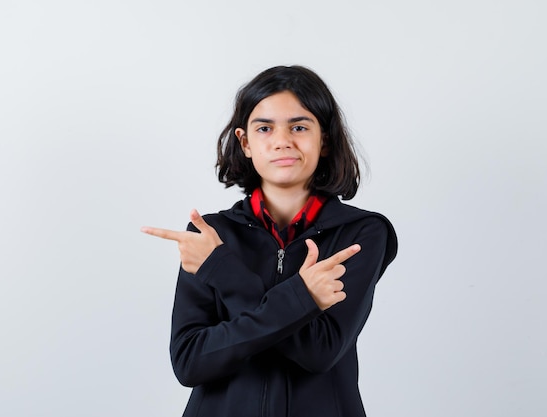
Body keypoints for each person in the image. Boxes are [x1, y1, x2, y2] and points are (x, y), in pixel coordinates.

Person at [141, 65, 398, 417]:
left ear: (324, 139)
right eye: (264, 128)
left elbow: (320, 352)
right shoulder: (210, 236)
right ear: (245, 142)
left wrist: (222, 270)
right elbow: (190, 362)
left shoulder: (361, 233)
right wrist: (301, 299)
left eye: (299, 127)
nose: (282, 141)